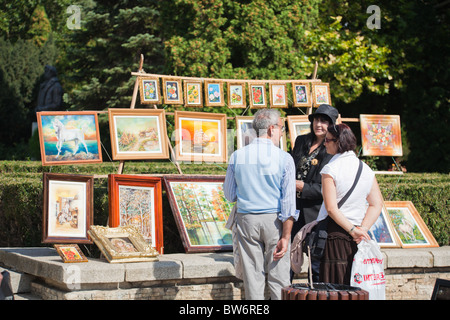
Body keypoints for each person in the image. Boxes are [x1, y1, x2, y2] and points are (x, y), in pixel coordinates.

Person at [224, 109, 298, 300]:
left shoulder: (237, 156)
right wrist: (286, 235)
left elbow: (230, 195)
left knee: (253, 278)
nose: (282, 132)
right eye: (281, 128)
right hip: (275, 221)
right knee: (279, 278)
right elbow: (288, 204)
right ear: (272, 129)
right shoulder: (284, 158)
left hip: (246, 219)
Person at [317, 123, 383, 285]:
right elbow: (376, 204)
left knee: (335, 287)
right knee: (356, 286)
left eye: (327, 140)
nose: (324, 143)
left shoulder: (330, 168)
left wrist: (353, 231)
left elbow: (331, 208)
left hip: (336, 234)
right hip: (359, 236)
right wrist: (362, 229)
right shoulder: (365, 169)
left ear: (338, 142)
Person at [290, 104, 339, 282]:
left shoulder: (332, 149)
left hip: (316, 213)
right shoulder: (301, 141)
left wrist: (302, 186)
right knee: (288, 257)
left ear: (332, 125)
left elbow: (327, 188)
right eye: (317, 119)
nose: (319, 124)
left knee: (316, 261)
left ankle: (317, 292)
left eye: (324, 121)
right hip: (293, 209)